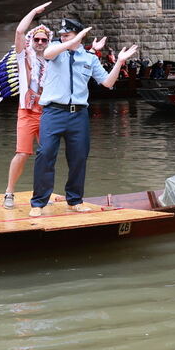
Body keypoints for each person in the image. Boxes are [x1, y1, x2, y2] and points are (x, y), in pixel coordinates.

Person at [29, 18, 137, 217]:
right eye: (62, 35)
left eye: (67, 35)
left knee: (79, 158)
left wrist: (120, 62)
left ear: (78, 36)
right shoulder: (54, 49)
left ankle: (75, 200)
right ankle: (38, 203)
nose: (62, 38)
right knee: (45, 155)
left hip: (78, 114)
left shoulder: (89, 59)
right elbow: (47, 54)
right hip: (53, 112)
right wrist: (72, 41)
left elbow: (106, 83)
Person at [2, 1, 52, 209]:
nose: (40, 42)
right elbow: (20, 31)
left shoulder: (52, 60)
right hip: (27, 111)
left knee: (48, 153)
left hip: (48, 112)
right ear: (32, 41)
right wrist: (33, 11)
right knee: (22, 153)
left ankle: (42, 194)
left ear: (48, 42)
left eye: (44, 40)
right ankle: (9, 193)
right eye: (37, 39)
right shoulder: (24, 57)